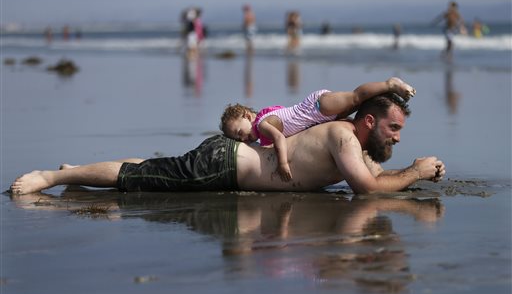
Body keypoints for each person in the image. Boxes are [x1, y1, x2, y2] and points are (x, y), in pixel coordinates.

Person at [10, 93, 445, 196]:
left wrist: (412, 173)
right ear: (370, 120)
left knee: (147, 166)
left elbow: (374, 175)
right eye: (393, 128)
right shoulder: (342, 136)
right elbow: (367, 189)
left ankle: (75, 169)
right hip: (221, 164)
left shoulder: (356, 143)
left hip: (226, 161)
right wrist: (416, 173)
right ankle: (54, 176)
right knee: (134, 177)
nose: (398, 136)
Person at [220, 77, 416, 181]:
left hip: (317, 107)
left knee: (357, 98)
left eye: (240, 132)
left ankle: (390, 84)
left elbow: (280, 139)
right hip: (317, 117)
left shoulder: (263, 125)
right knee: (358, 112)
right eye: (238, 139)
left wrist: (283, 164)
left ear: (247, 116)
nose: (243, 139)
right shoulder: (263, 120)